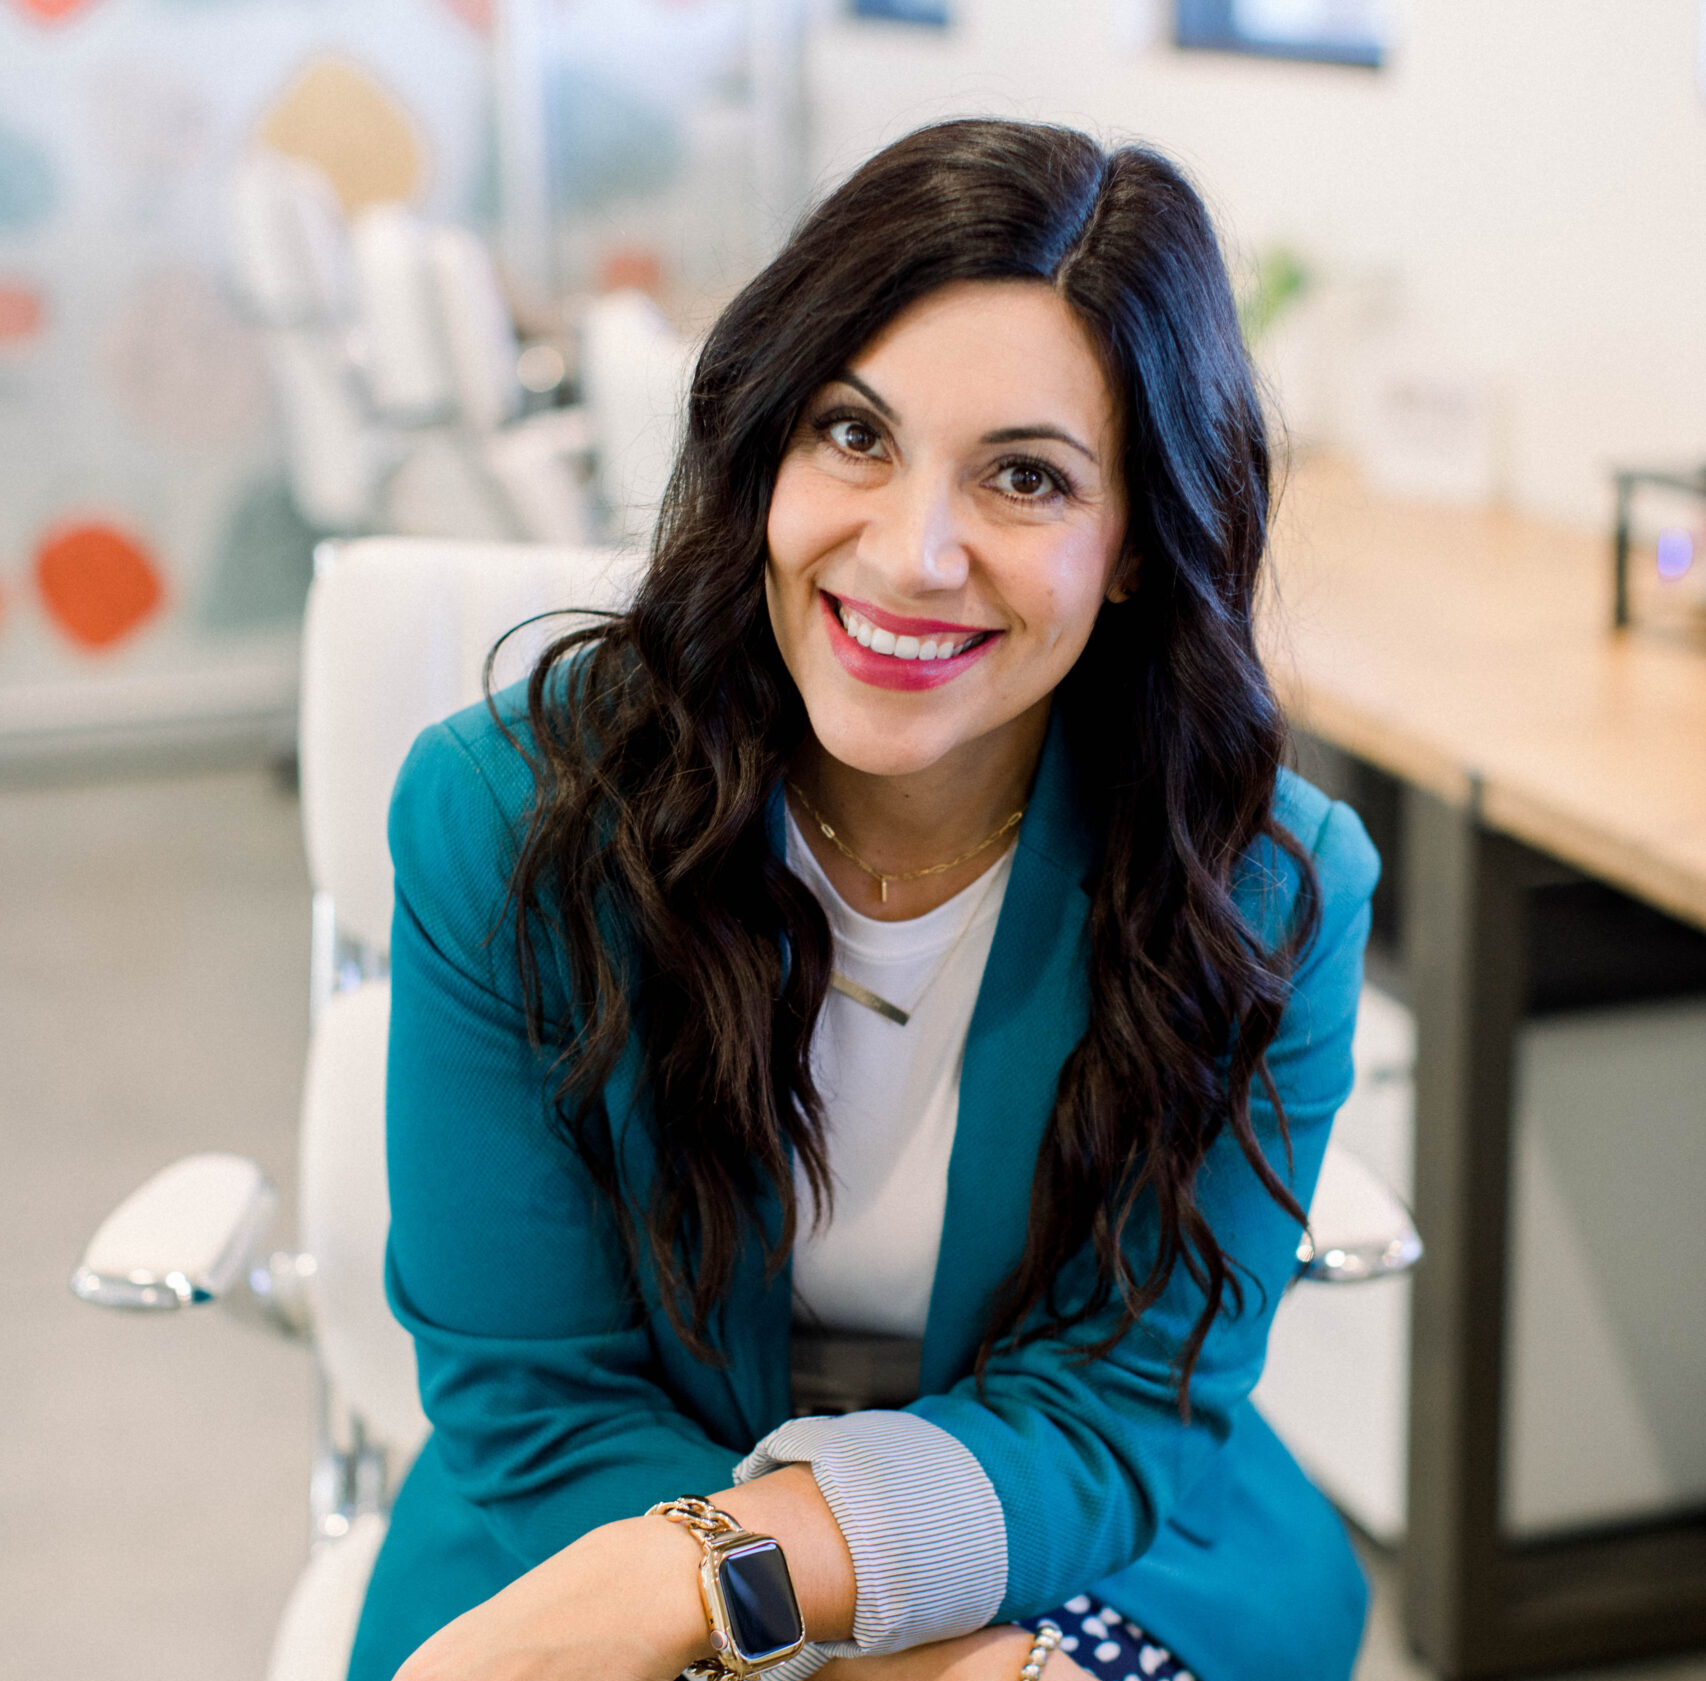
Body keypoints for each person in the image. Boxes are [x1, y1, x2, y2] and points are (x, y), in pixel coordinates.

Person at [348, 118, 1379, 1681]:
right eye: (853, 434)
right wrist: (843, 1644)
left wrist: (729, 1578)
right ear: (764, 444)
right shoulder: (508, 818)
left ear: (1130, 549)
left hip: (1072, 1529)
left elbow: (1110, 1405)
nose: (910, 553)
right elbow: (535, 1393)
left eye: (1025, 477)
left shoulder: (1261, 890)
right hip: (597, 1514)